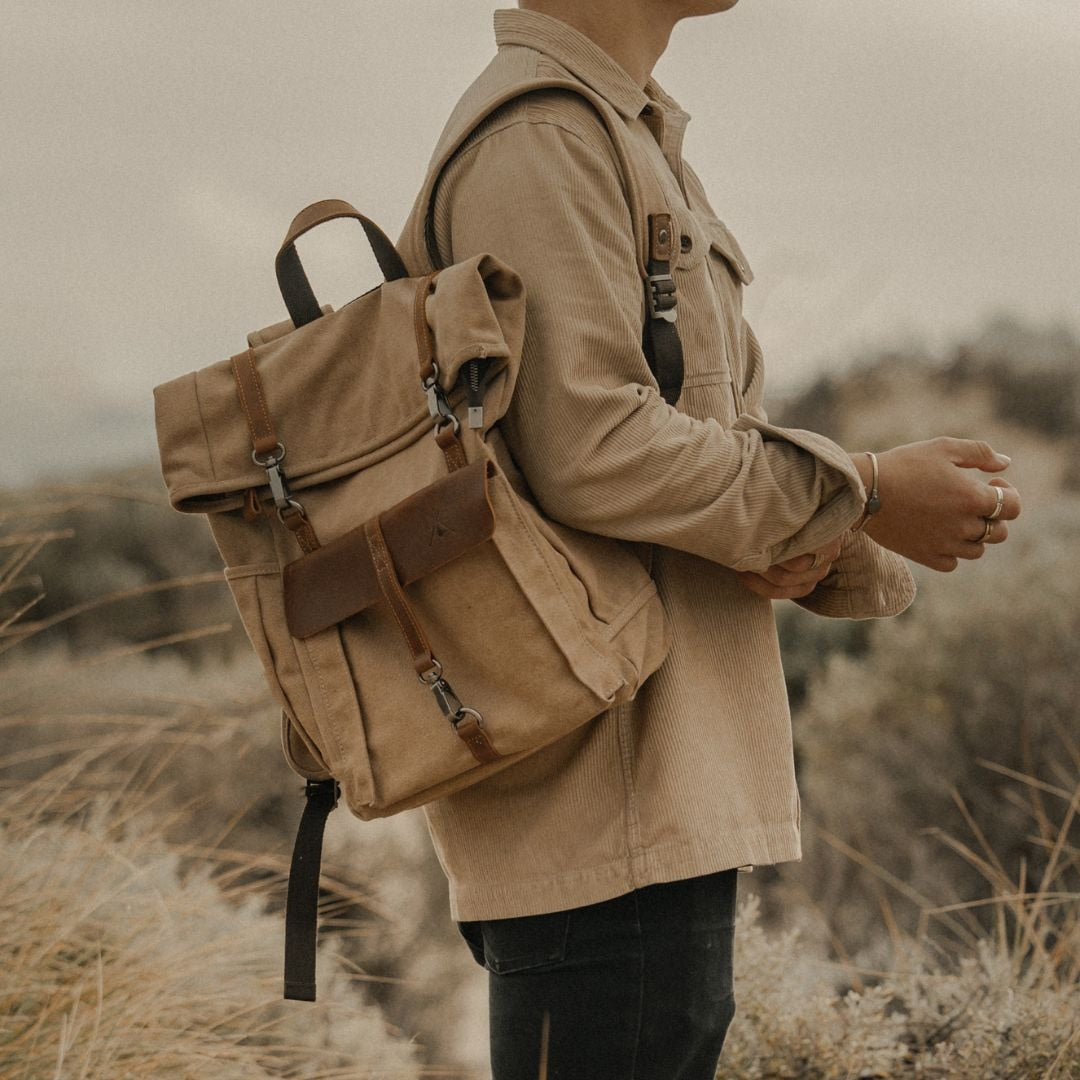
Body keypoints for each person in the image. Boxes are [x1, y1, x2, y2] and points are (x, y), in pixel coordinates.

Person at [396, 3, 1021, 1077]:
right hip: (610, 799)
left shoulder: (610, 126)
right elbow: (593, 445)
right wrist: (863, 491)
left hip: (651, 787)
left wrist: (795, 538)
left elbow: (648, 448)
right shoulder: (540, 139)